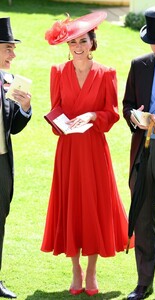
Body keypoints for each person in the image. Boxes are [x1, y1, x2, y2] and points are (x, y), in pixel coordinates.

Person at [41, 11, 133, 296]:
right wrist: (62, 123)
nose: (77, 47)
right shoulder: (57, 72)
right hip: (68, 150)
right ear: (67, 46)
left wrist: (93, 115)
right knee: (71, 205)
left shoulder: (107, 73)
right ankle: (75, 268)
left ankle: (91, 270)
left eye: (83, 41)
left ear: (93, 42)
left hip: (94, 149)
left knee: (93, 207)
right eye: (72, 42)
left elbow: (113, 114)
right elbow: (55, 108)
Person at [123, 5, 155, 300]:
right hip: (144, 153)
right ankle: (143, 283)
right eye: (152, 41)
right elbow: (126, 105)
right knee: (142, 219)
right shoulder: (139, 65)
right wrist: (135, 117)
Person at [0, 17, 32, 298]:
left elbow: (14, 129)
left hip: (2, 164)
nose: (13, 54)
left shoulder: (9, 82)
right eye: (8, 48)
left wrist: (25, 107)